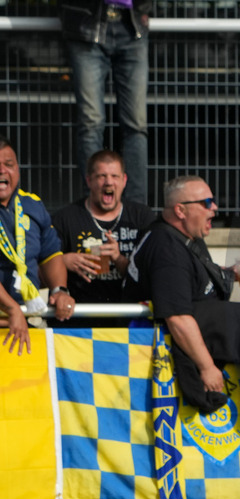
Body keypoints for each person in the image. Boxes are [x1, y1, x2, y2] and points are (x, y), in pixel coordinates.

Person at [122, 175, 240, 436]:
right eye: (206, 202)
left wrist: (229, 273)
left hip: (184, 342)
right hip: (155, 356)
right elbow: (177, 317)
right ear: (180, 211)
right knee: (239, 316)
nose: (214, 208)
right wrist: (207, 367)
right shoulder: (167, 248)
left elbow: (191, 279)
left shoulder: (184, 237)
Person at [60, 1, 152, 206]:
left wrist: (144, 8)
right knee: (91, 123)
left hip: (132, 23)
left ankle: (136, 210)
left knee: (136, 125)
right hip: (86, 23)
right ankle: (94, 204)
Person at [52, 150, 155, 327]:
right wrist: (63, 261)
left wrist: (118, 258)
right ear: (89, 181)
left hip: (130, 324)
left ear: (124, 181)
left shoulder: (141, 218)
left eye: (114, 176)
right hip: (78, 323)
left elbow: (153, 276)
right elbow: (38, 268)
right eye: (101, 176)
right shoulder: (65, 218)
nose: (108, 182)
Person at [0, 136, 77, 324]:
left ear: (18, 170)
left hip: (26, 319)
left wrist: (60, 290)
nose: (2, 170)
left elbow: (50, 254)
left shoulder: (32, 204)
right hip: (12, 316)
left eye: (8, 164)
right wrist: (12, 309)